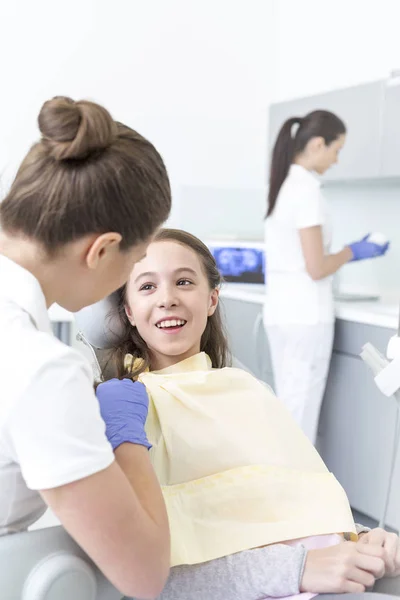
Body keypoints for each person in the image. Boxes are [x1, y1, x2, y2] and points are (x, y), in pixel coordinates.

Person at [95, 228, 400, 600]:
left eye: (184, 281)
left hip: (327, 570)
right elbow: (151, 576)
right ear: (128, 310)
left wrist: (365, 538)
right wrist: (299, 569)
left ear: (212, 299)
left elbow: (284, 502)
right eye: (147, 287)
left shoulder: (247, 389)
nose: (168, 298)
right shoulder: (129, 404)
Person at [0, 96, 172, 599]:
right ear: (100, 250)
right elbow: (144, 575)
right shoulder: (40, 368)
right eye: (137, 261)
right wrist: (126, 434)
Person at [264, 110, 389, 444]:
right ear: (318, 144)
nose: (336, 160)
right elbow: (316, 266)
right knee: (300, 414)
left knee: (290, 406)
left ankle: (285, 487)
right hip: (305, 316)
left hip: (281, 313)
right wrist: (355, 250)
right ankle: (295, 491)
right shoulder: (306, 192)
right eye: (336, 150)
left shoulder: (283, 187)